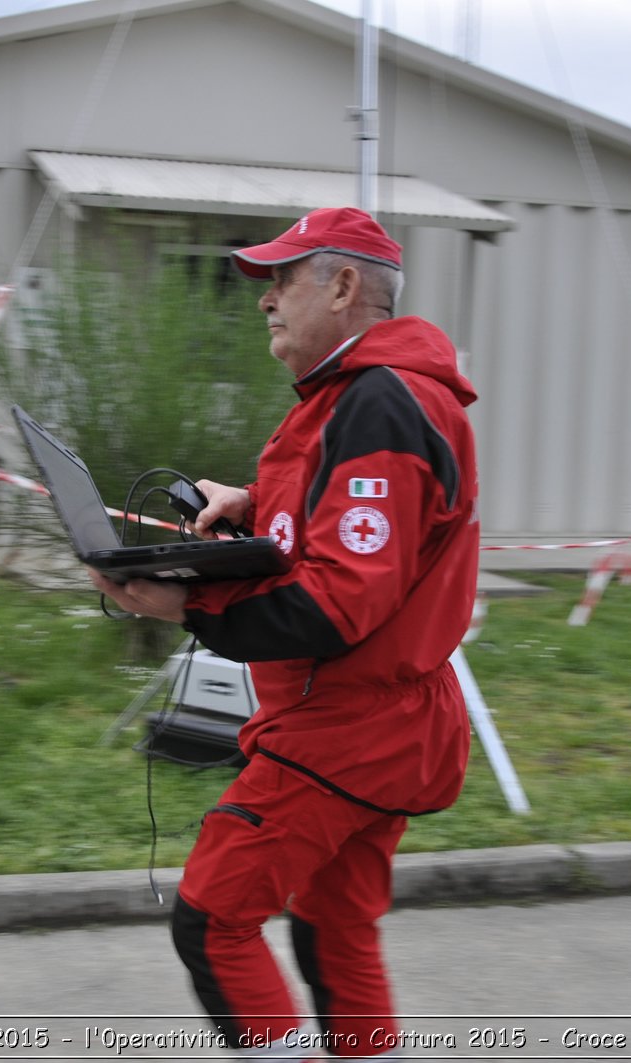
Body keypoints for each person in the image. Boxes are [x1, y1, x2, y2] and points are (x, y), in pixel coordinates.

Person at [89, 207, 481, 1062]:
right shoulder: (358, 394)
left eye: (283, 279)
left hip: (354, 724)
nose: (266, 300)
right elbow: (350, 526)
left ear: (343, 287)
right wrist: (252, 504)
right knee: (334, 924)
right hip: (378, 717)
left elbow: (343, 602)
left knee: (212, 920)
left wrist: (186, 607)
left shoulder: (381, 398)